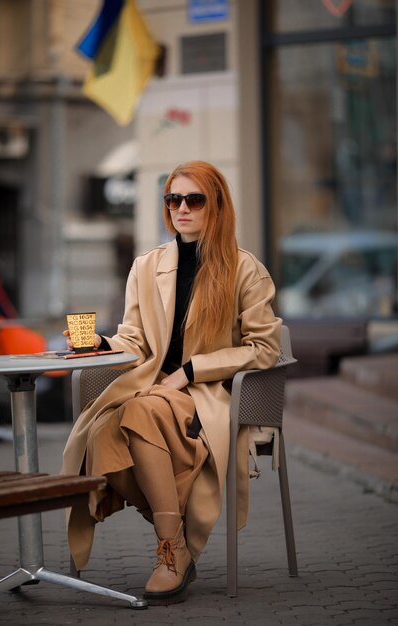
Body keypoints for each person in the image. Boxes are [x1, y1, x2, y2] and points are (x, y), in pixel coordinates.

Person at [61, 160, 282, 605]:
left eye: (194, 199)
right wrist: (99, 343)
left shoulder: (244, 269)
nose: (182, 208)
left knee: (135, 412)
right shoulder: (147, 266)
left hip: (207, 394)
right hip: (152, 386)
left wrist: (190, 372)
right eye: (173, 199)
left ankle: (169, 554)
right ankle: (174, 539)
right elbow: (135, 338)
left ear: (215, 205)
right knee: (101, 433)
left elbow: (265, 348)